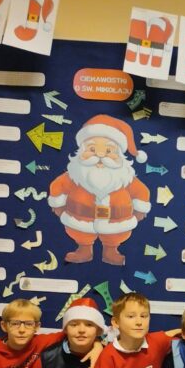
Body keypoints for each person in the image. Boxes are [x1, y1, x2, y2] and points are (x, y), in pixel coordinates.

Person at [48, 114, 152, 266]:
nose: (100, 155)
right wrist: (58, 206)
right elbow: (58, 186)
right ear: (81, 151)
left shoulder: (125, 178)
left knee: (116, 235)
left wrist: (139, 211)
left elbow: (142, 191)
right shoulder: (75, 175)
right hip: (80, 218)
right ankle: (84, 250)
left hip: (117, 220)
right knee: (80, 232)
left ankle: (111, 251)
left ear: (119, 155)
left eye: (109, 150)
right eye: (92, 149)